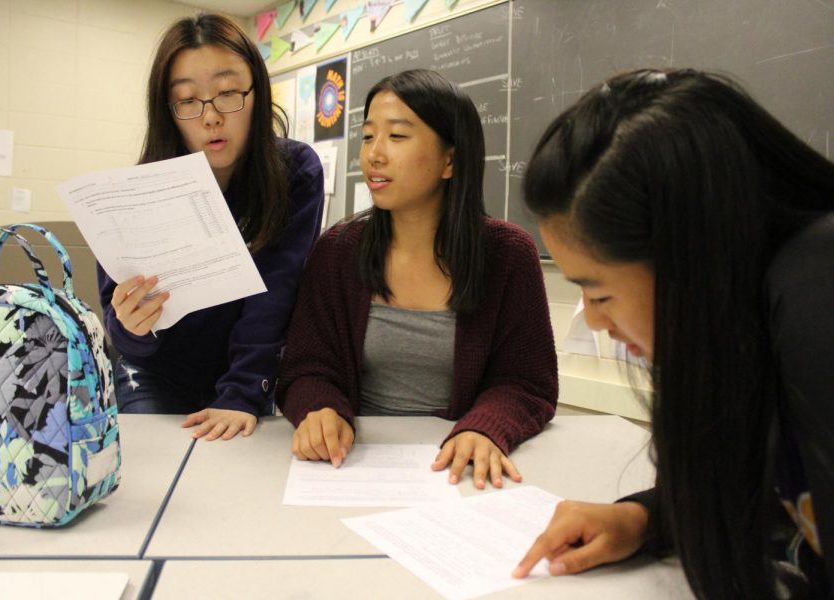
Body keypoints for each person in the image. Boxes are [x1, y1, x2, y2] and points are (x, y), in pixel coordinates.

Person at [512, 69, 834, 598]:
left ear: (691, 257)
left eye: (599, 293)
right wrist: (646, 520)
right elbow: (764, 492)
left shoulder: (816, 298)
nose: (593, 320)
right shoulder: (751, 317)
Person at [276, 69, 558, 489]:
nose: (374, 154)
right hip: (349, 467)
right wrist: (320, 408)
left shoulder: (507, 254)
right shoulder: (338, 250)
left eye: (397, 136)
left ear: (450, 159)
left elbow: (526, 383)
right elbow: (304, 367)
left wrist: (484, 427)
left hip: (457, 471)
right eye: (369, 136)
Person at [97, 14, 324, 441]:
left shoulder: (293, 171)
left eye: (228, 93)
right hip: (153, 374)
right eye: (187, 100)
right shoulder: (139, 191)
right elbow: (121, 329)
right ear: (168, 110)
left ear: (257, 91)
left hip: (241, 371)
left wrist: (241, 393)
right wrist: (131, 326)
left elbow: (275, 294)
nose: (211, 117)